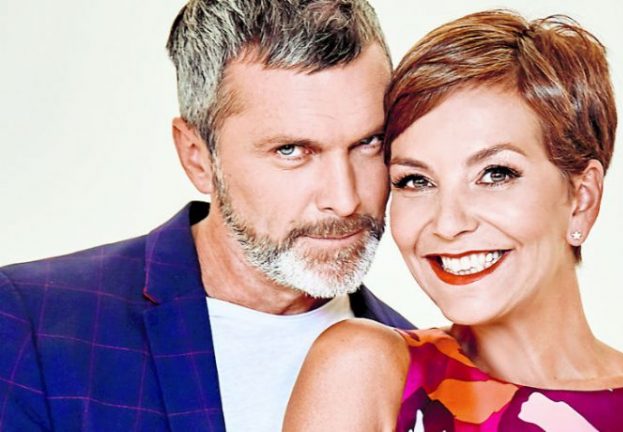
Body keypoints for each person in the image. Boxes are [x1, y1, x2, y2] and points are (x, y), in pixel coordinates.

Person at [284, 9, 623, 431]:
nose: (447, 224)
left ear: (581, 198)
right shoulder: (368, 369)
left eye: (495, 174)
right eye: (416, 180)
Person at [0, 0, 412, 430]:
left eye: (370, 143)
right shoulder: (35, 324)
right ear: (197, 157)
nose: (345, 200)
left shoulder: (426, 369)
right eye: (291, 150)